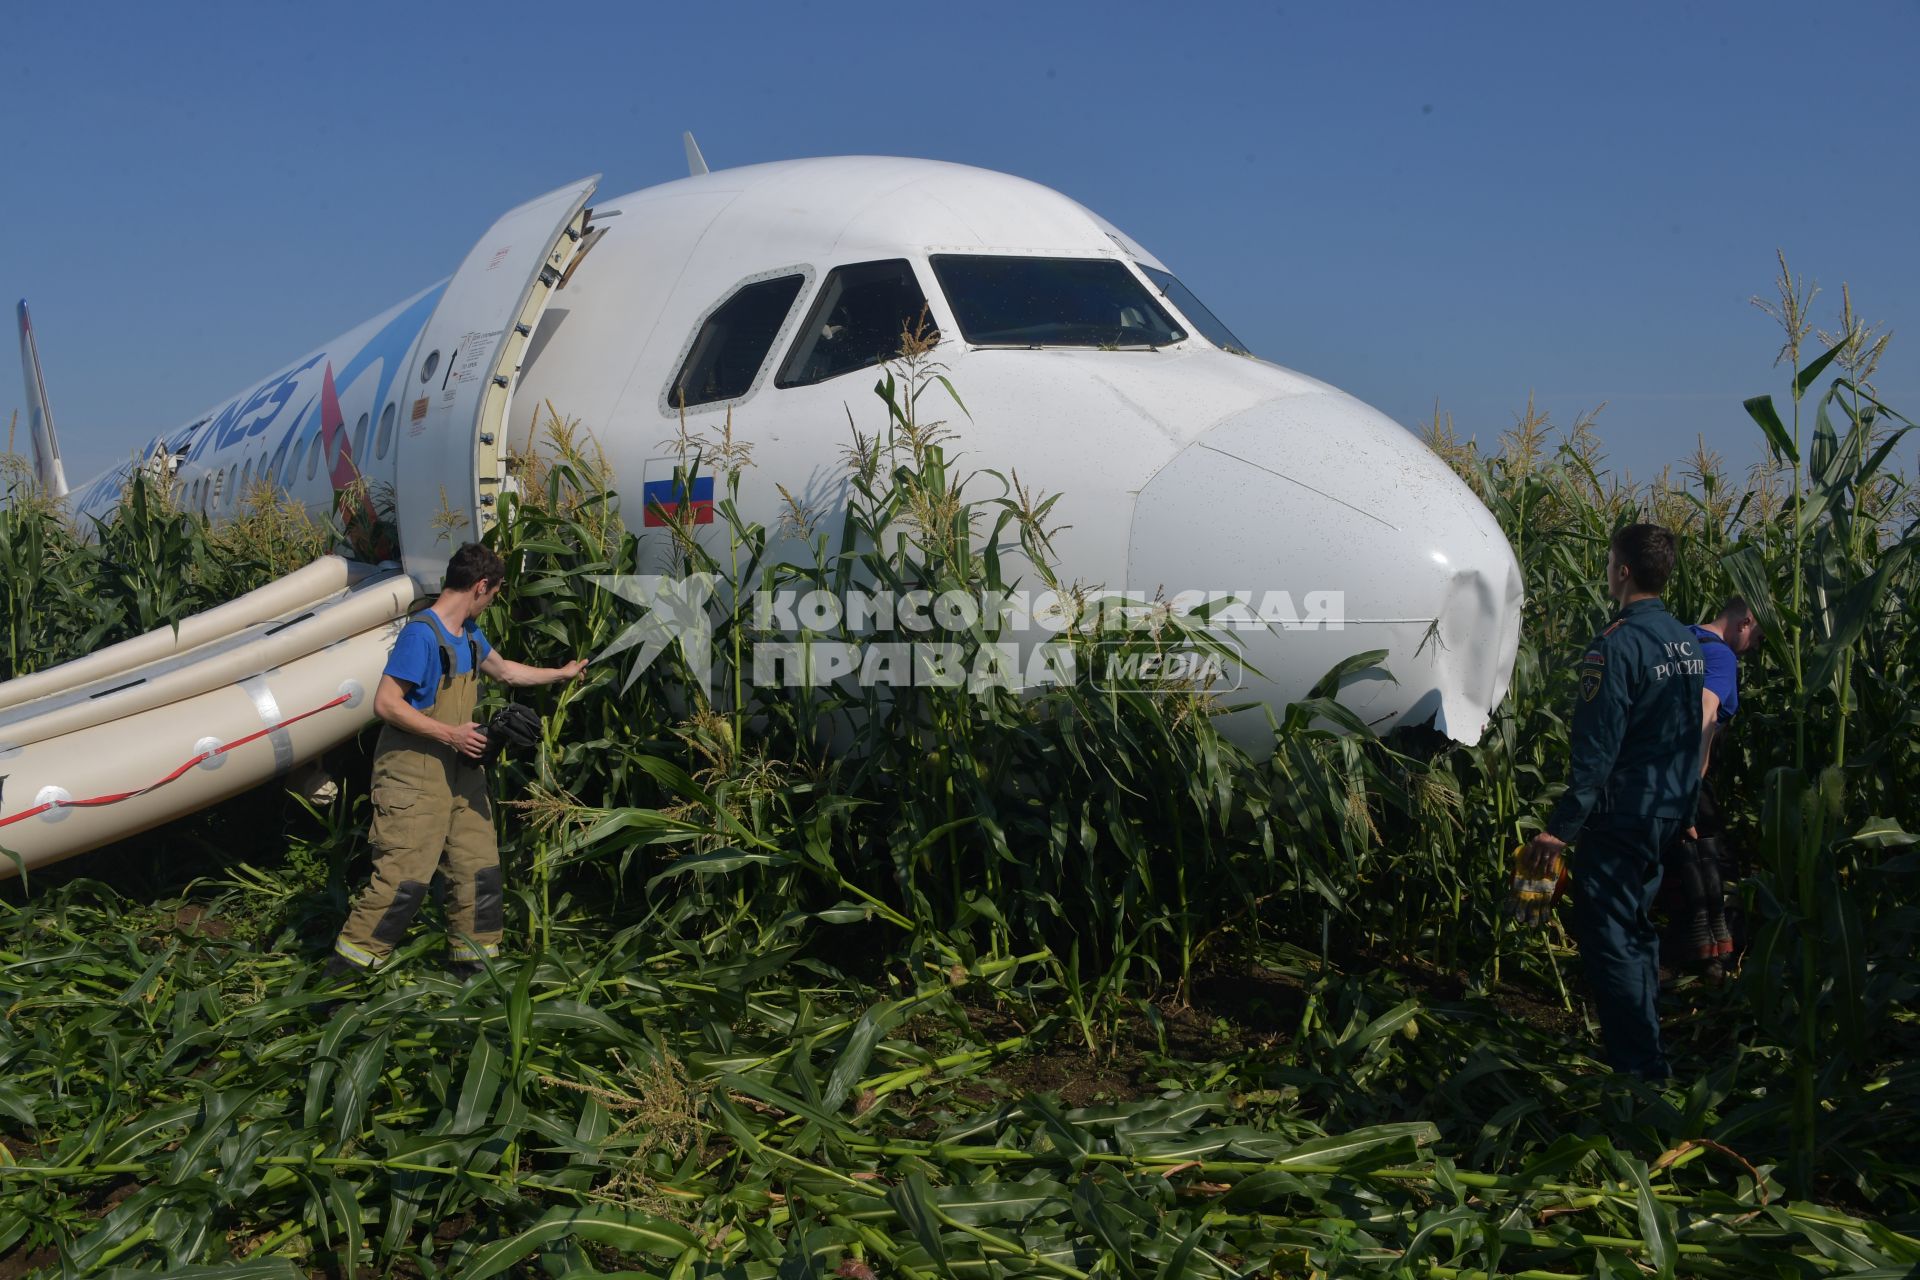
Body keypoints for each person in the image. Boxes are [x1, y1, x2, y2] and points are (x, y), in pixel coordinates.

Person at [329, 543, 586, 977]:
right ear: (481, 586)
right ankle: (343, 982)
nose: (491, 603)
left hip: (461, 770)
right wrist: (451, 733)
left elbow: (504, 671)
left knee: (477, 869)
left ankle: (474, 973)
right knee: (403, 880)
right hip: (413, 773)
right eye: (494, 594)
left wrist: (559, 674)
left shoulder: (468, 632)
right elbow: (387, 704)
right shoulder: (421, 635)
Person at [1524, 524, 1704, 1081]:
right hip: (1667, 810)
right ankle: (1645, 1046)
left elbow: (1596, 752)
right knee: (1638, 928)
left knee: (1611, 939)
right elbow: (1691, 734)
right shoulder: (1687, 641)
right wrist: (1687, 811)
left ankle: (1641, 1075)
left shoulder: (1616, 645)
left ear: (1622, 571)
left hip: (1623, 813)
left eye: (1608, 563)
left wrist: (1559, 831)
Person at [1662, 598, 1762, 977]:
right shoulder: (1720, 656)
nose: (1754, 648)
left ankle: (1684, 950)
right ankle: (1718, 956)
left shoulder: (1681, 639)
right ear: (1745, 622)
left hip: (1654, 769)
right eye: (1757, 637)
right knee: (1711, 857)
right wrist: (1694, 779)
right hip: (1687, 772)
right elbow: (1706, 712)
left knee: (1672, 859)